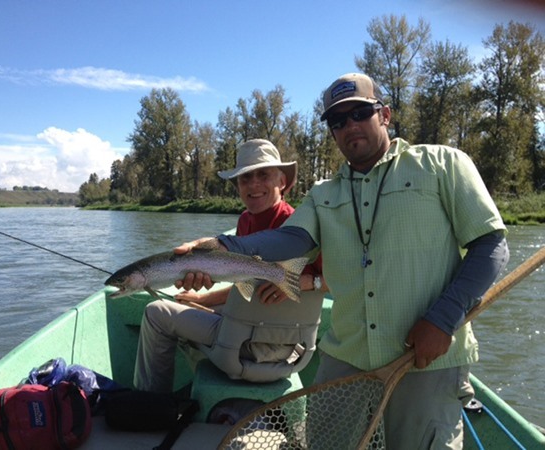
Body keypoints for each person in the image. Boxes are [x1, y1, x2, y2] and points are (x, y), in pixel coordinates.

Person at [173, 73, 510, 449]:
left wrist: (443, 318)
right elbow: (290, 240)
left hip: (428, 355)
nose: (349, 126)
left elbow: (491, 245)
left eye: (359, 113)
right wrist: (221, 246)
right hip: (345, 359)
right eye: (337, 121)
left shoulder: (443, 164)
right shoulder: (323, 194)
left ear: (384, 114)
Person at [134, 138, 325, 393]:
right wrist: (205, 299)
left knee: (156, 312)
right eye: (245, 178)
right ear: (238, 187)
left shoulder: (301, 229)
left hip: (264, 344)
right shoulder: (246, 220)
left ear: (282, 182)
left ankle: (149, 404)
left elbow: (335, 278)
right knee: (186, 302)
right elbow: (244, 284)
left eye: (263, 175)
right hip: (274, 342)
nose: (253, 184)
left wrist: (307, 283)